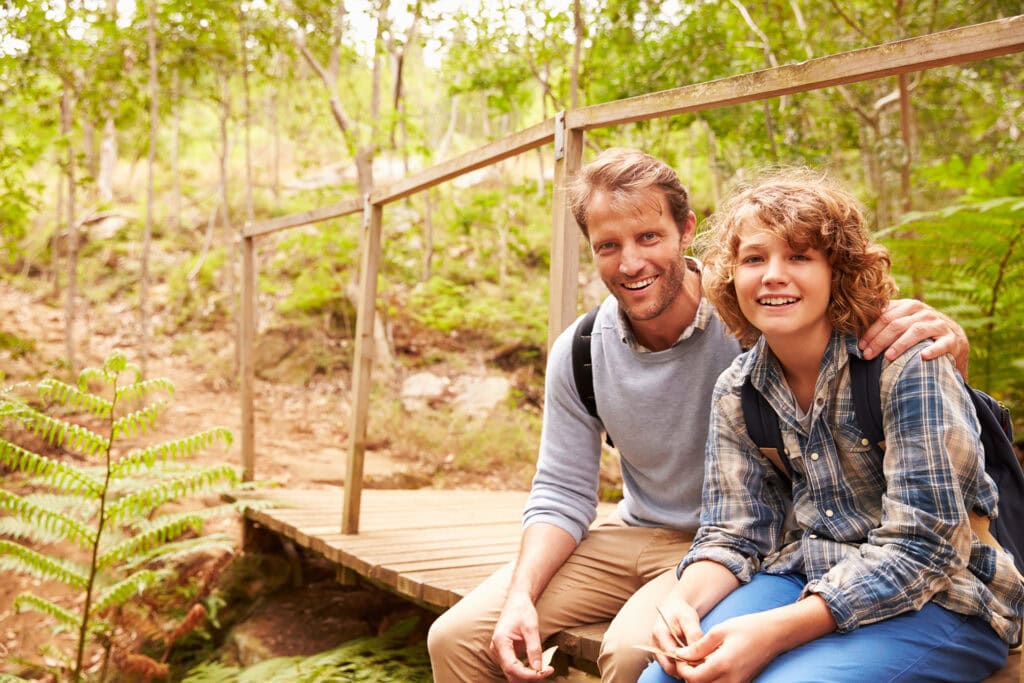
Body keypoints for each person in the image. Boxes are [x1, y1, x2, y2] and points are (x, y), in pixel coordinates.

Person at [426, 148, 970, 683]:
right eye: (608, 245)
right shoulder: (587, 351)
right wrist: (521, 596)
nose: (631, 262)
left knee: (634, 654)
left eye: (648, 237)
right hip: (656, 534)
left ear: (685, 231)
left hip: (761, 545)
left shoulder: (755, 324)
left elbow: (883, 382)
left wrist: (950, 346)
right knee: (457, 636)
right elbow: (562, 491)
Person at [638, 169, 1023, 683]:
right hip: (809, 572)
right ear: (732, 276)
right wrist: (681, 605)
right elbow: (733, 534)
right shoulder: (738, 389)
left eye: (799, 256)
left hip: (945, 596)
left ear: (838, 271)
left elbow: (924, 547)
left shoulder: (906, 363)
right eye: (754, 258)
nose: (773, 274)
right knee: (666, 676)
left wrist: (773, 632)